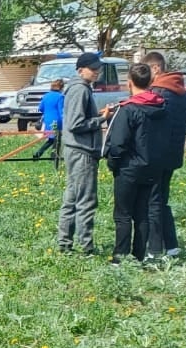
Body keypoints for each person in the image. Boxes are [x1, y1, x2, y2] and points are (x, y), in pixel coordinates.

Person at [103, 62, 167, 265]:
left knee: (123, 214)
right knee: (143, 214)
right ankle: (138, 255)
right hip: (153, 166)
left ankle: (120, 257)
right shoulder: (162, 106)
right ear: (150, 81)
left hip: (129, 167)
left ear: (129, 82)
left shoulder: (128, 109)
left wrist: (113, 163)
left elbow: (118, 142)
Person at [142, 50, 186, 258]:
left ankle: (154, 249)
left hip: (156, 154)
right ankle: (171, 245)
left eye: (147, 70)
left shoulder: (159, 92)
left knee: (153, 201)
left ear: (156, 68)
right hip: (173, 153)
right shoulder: (182, 92)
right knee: (161, 199)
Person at [58, 52, 104, 254]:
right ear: (80, 70)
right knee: (85, 200)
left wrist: (98, 115)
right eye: (92, 69)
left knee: (72, 198)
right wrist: (101, 120)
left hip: (75, 149)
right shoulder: (80, 90)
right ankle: (86, 247)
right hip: (81, 150)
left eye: (97, 69)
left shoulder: (79, 89)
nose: (96, 72)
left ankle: (65, 244)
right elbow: (76, 124)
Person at [33, 78, 64, 161]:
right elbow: (61, 111)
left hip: (47, 120)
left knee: (51, 139)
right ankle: (54, 157)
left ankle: (39, 154)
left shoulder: (46, 96)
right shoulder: (60, 96)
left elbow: (41, 108)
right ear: (61, 87)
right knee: (56, 140)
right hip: (56, 121)